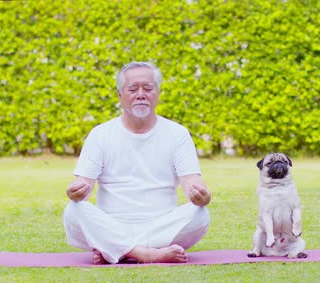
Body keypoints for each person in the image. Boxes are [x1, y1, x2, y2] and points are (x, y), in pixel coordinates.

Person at [63, 61, 211, 264]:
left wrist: (201, 196)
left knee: (200, 214)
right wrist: (76, 190)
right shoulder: (100, 134)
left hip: (161, 227)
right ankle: (147, 254)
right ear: (119, 95)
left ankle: (116, 250)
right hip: (112, 225)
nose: (140, 94)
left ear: (157, 93)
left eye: (148, 88)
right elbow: (84, 184)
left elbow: (192, 181)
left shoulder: (178, 133)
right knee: (74, 210)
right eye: (132, 89)